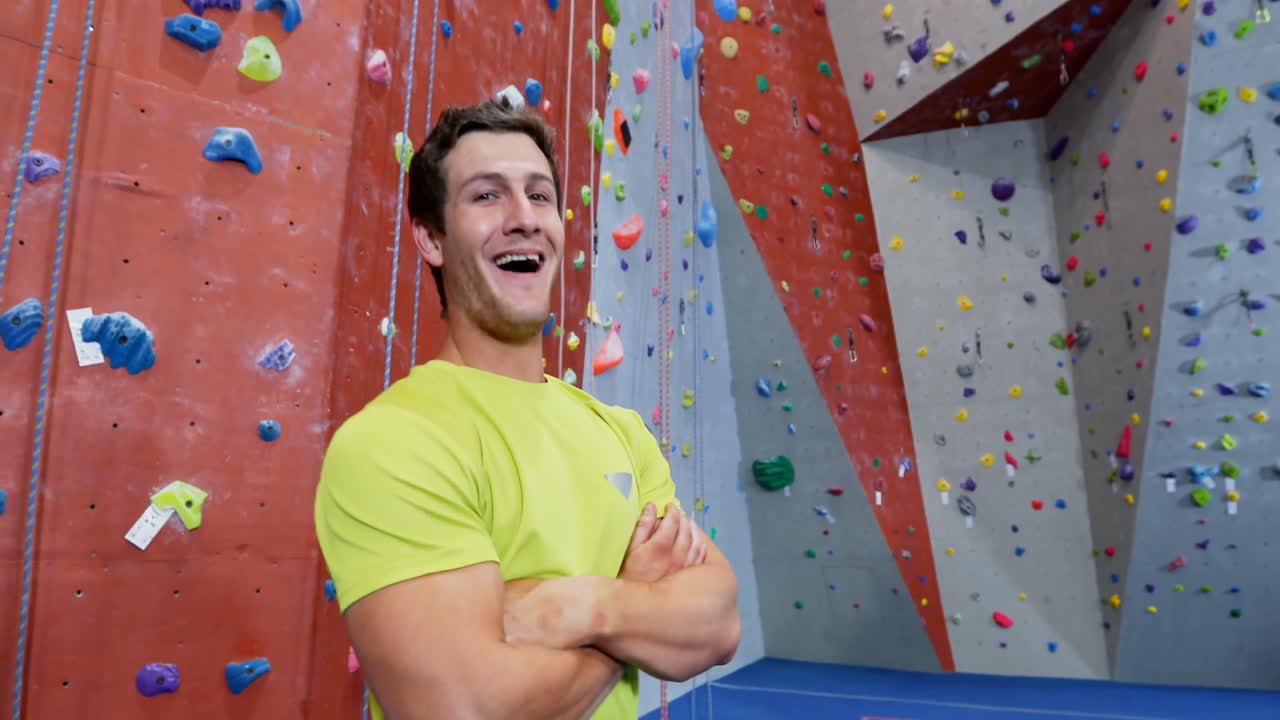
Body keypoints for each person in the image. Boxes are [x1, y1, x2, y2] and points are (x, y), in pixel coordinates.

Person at [314, 97, 741, 720]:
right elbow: (466, 708)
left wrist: (583, 606)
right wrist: (632, 615)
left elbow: (719, 620)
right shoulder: (392, 441)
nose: (524, 218)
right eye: (487, 197)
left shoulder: (619, 432)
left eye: (540, 196)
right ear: (431, 238)